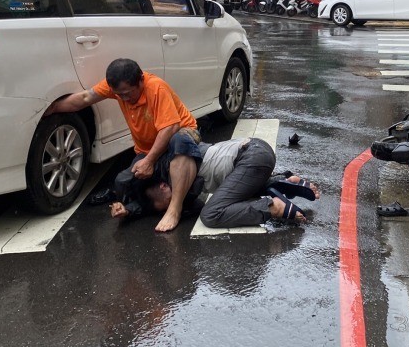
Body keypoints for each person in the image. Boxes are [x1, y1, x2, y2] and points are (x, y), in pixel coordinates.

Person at [43, 58, 202, 230]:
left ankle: (175, 210)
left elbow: (170, 127)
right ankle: (126, 207)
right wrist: (51, 108)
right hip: (148, 149)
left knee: (180, 141)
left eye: (127, 93)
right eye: (118, 94)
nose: (124, 98)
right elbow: (85, 97)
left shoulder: (156, 88)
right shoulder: (118, 87)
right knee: (123, 182)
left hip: (178, 136)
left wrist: (149, 161)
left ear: (141, 80)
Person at [126, 137, 319, 231]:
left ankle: (273, 207)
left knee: (210, 215)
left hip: (250, 158)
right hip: (256, 154)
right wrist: (128, 210)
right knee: (236, 195)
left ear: (163, 186)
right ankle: (283, 182)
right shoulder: (174, 177)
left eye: (168, 202)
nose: (174, 204)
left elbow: (179, 138)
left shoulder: (176, 169)